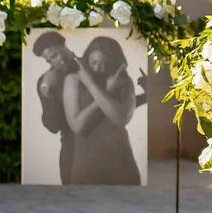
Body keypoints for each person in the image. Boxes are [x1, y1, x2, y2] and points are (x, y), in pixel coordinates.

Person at [62, 34, 142, 185]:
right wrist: (104, 90)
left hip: (122, 164)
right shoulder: (73, 80)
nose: (98, 69)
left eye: (104, 64)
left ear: (115, 62)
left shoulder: (123, 81)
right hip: (87, 165)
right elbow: (77, 126)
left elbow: (121, 118)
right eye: (94, 63)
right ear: (87, 59)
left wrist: (94, 86)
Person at [29, 29, 78, 184]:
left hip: (102, 147)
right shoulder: (46, 82)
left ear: (64, 44)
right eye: (49, 61)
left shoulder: (93, 66)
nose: (55, 62)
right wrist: (47, 95)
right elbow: (53, 127)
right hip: (71, 150)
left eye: (55, 55)